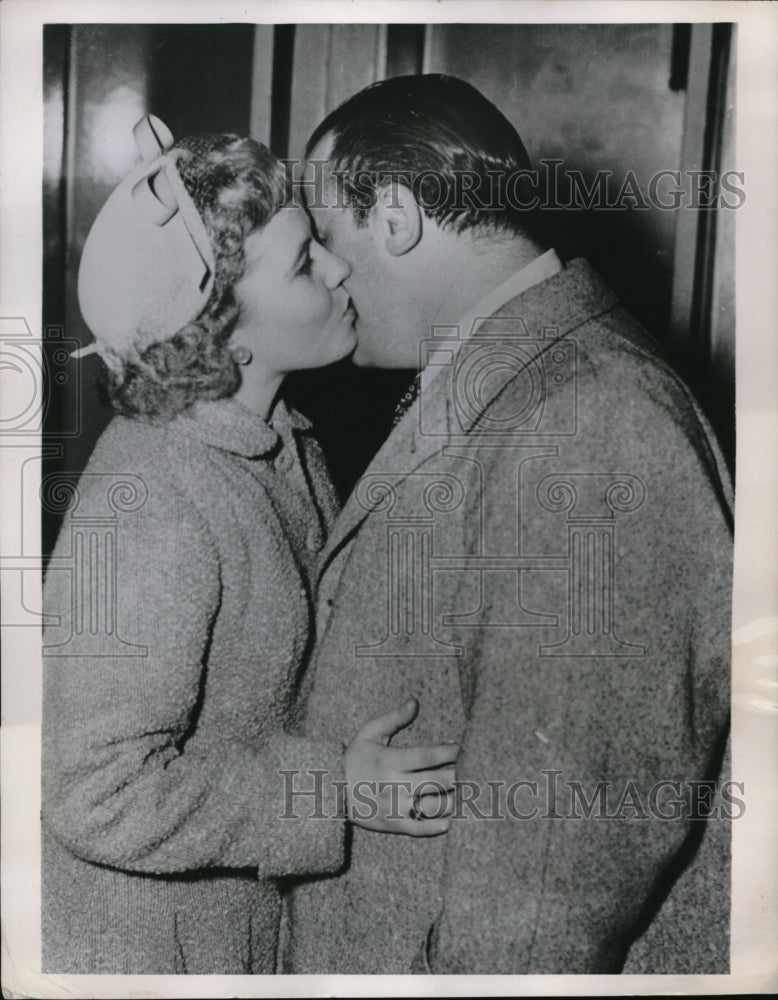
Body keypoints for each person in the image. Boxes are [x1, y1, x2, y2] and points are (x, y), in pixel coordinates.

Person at [282, 75, 733, 974]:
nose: (325, 276)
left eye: (327, 241)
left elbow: (553, 871)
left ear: (398, 217)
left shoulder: (590, 416)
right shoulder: (518, 375)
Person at [41, 116, 456, 975]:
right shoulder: (154, 499)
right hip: (148, 957)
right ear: (219, 330)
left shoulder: (280, 441)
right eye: (305, 262)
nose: (341, 266)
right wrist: (332, 788)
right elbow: (90, 791)